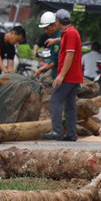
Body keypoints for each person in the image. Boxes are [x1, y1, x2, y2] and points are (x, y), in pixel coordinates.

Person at [45, 8, 82, 141]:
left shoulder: (70, 34)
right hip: (74, 77)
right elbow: (66, 43)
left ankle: (57, 131)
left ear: (58, 21)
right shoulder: (68, 32)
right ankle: (71, 134)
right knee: (70, 105)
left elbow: (70, 54)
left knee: (55, 100)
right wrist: (55, 41)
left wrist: (61, 75)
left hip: (68, 76)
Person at [33, 11, 60, 79]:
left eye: (47, 28)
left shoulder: (57, 39)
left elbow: (54, 62)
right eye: (44, 29)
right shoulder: (50, 36)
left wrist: (40, 70)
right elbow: (37, 45)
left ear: (54, 25)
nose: (46, 31)